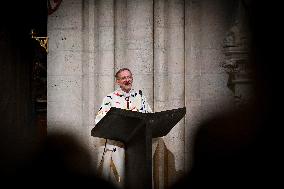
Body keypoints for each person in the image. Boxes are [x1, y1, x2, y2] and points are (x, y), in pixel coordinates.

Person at [94, 68, 152, 187]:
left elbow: (150, 117)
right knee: (119, 181)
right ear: (118, 81)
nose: (127, 80)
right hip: (117, 144)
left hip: (137, 145)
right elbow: (99, 121)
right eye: (123, 78)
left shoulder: (140, 97)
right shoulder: (110, 98)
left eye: (129, 77)